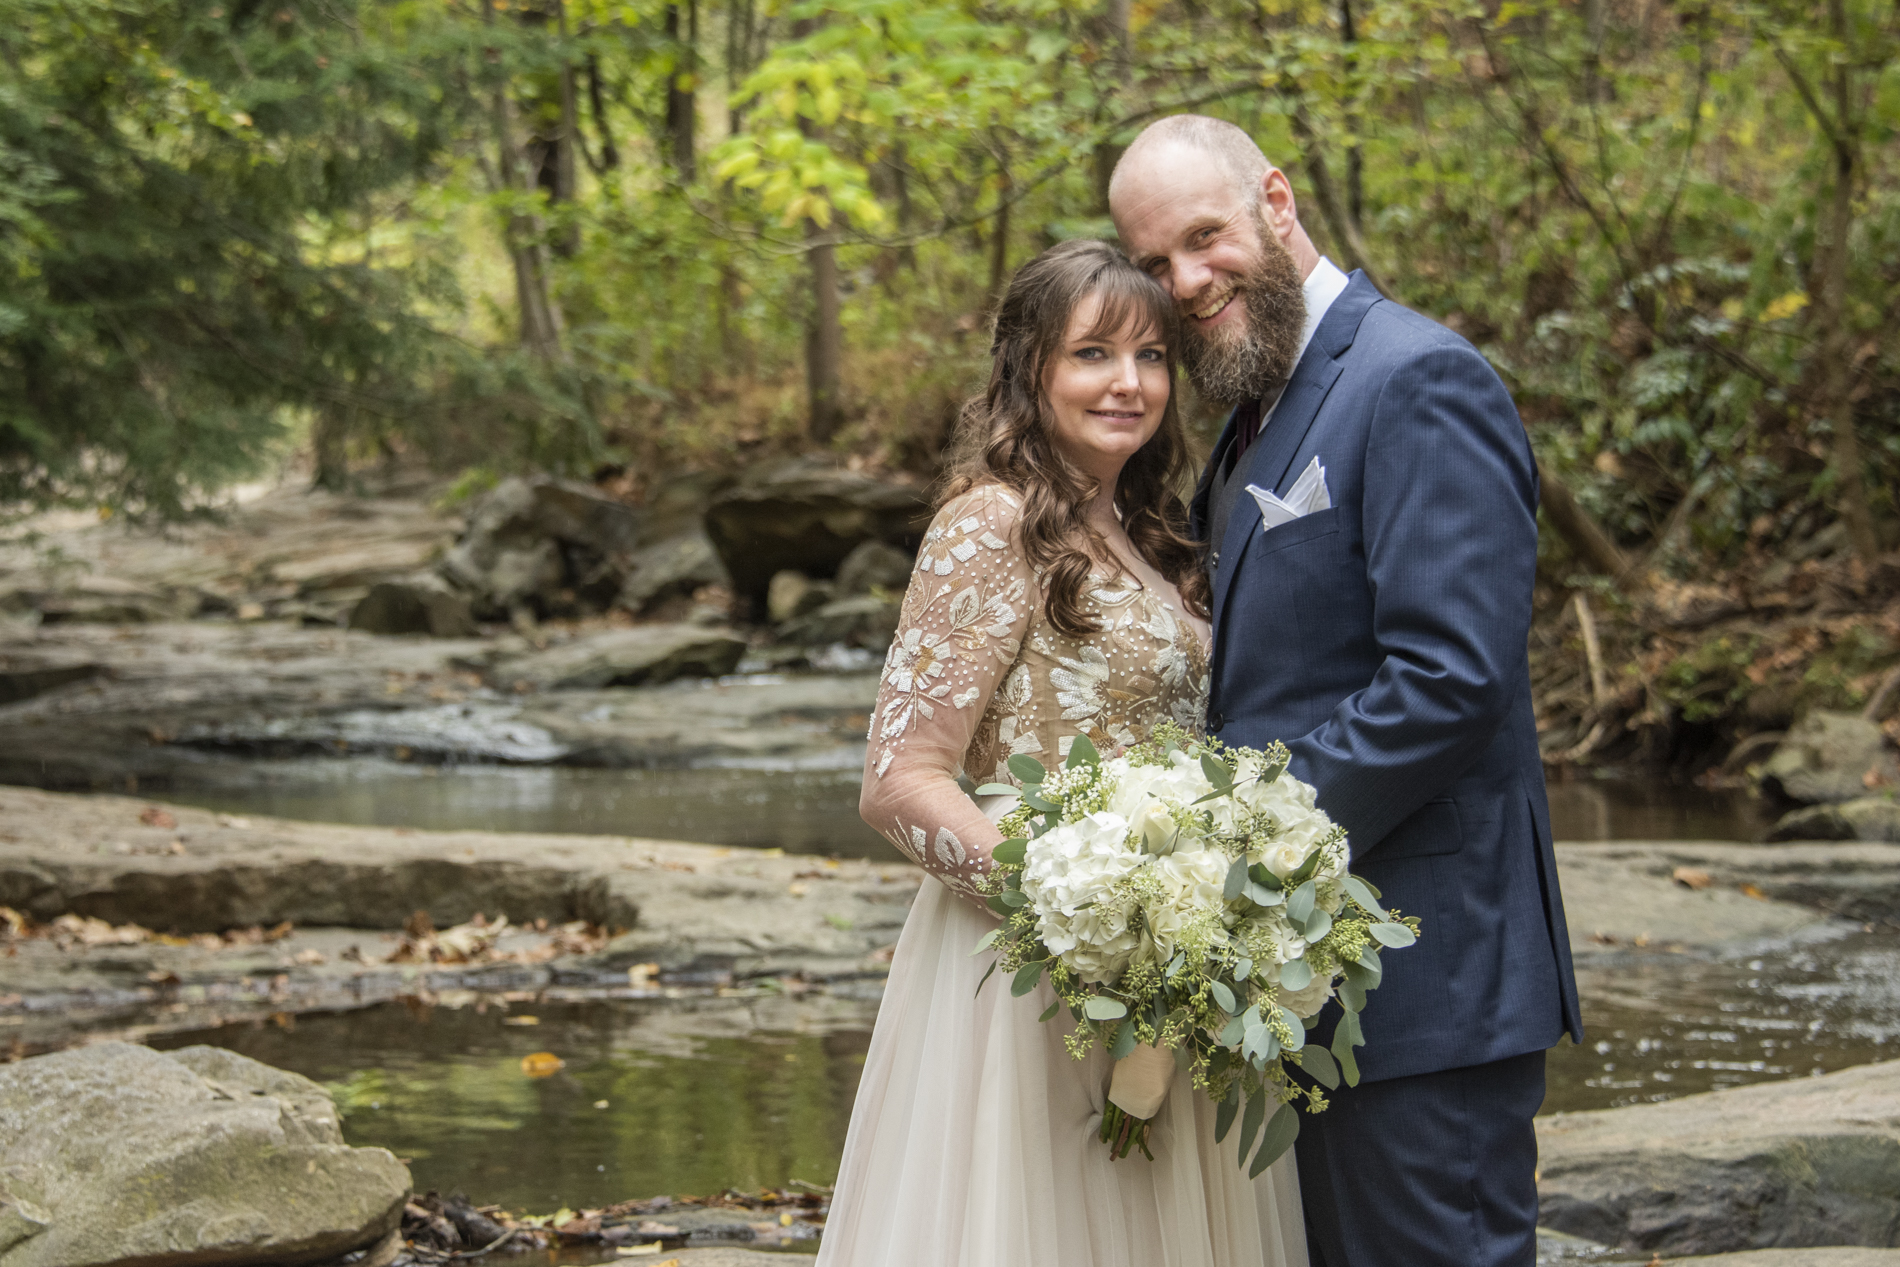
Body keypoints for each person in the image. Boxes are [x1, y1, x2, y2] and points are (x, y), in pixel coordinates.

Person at [1108, 115, 1583, 1266]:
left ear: (1275, 200)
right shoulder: (1247, 420)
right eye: (1156, 262)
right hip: (1305, 986)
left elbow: (1449, 678)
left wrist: (1228, 842)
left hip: (1424, 979)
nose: (1185, 281)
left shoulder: (1415, 376)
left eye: (1205, 236)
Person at [817, 239, 1307, 1267]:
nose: (1128, 383)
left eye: (1152, 357)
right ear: (1027, 367)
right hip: (1030, 975)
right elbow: (898, 781)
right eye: (1093, 354)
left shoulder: (1147, 532)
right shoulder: (989, 524)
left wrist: (1184, 926)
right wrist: (1078, 921)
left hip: (1165, 967)